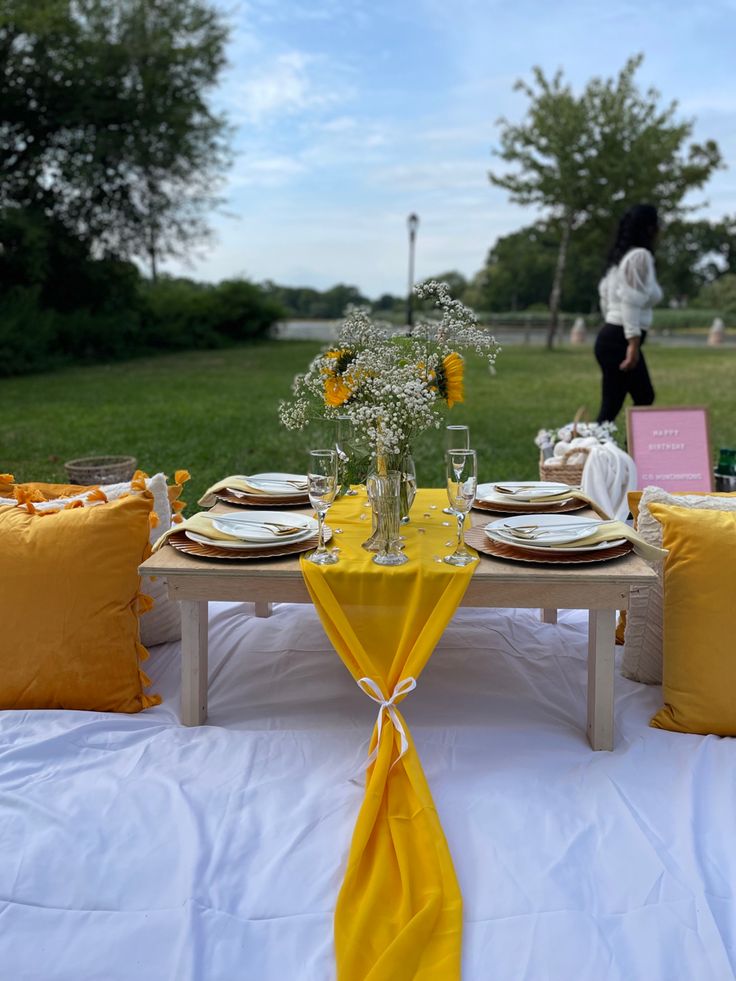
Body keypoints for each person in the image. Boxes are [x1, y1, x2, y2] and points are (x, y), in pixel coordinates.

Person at [594, 204, 663, 422]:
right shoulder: (639, 257)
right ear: (650, 227)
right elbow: (630, 301)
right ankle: (594, 452)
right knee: (620, 403)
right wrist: (632, 344)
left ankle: (627, 451)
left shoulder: (618, 260)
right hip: (621, 338)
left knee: (633, 398)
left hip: (612, 335)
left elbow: (605, 298)